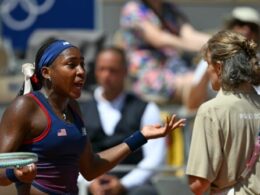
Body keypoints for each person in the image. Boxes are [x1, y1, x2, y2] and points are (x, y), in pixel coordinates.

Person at [0, 39, 185, 195]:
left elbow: (90, 168)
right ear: (47, 73)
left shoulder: (73, 107)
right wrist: (14, 174)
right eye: (71, 65)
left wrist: (140, 137)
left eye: (82, 64)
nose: (81, 71)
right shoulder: (24, 107)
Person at [79, 46, 165, 195]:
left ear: (125, 71)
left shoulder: (146, 108)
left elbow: (155, 158)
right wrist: (89, 183)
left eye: (113, 70)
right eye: (102, 69)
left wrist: (123, 184)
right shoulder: (79, 109)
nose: (107, 75)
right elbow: (71, 155)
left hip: (132, 187)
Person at [186, 30, 260, 194]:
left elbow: (198, 184)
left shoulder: (211, 111)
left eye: (207, 64)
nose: (206, 70)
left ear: (219, 68)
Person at [120, 0, 210, 106]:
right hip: (148, 72)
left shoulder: (170, 9)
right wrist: (198, 46)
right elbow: (158, 39)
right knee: (197, 83)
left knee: (208, 79)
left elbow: (189, 34)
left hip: (176, 67)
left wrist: (221, 41)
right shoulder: (133, 9)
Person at [188, 6, 260, 110]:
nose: (246, 30)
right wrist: (210, 65)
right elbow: (192, 105)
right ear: (231, 27)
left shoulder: (258, 61)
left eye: (252, 27)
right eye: (240, 24)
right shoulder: (210, 58)